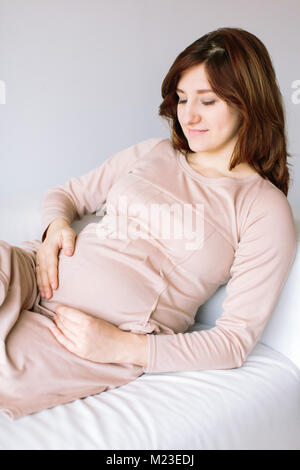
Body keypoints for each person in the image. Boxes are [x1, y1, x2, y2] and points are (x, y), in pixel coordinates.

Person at [0, 27, 297, 420]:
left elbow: (233, 342)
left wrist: (119, 346)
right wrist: (56, 228)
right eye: (183, 98)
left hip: (83, 338)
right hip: (28, 272)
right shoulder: (154, 153)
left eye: (207, 101)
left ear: (249, 103)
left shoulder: (263, 207)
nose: (188, 115)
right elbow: (67, 194)